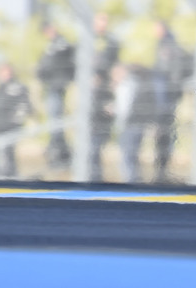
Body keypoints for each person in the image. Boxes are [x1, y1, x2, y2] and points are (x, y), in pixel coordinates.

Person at [150, 21, 191, 182]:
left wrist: (173, 88)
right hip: (165, 101)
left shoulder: (170, 45)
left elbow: (173, 71)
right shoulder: (165, 44)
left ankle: (162, 171)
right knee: (163, 134)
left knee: (165, 133)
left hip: (167, 100)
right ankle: (161, 171)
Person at [37, 22, 75, 168]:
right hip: (52, 86)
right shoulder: (51, 46)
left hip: (57, 86)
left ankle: (61, 155)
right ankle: (57, 152)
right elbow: (43, 66)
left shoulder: (61, 44)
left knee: (56, 122)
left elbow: (61, 61)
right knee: (54, 122)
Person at [89, 12, 121, 182]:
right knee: (89, 141)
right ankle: (91, 174)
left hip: (104, 96)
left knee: (98, 141)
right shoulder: (87, 40)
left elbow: (111, 67)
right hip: (90, 98)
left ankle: (95, 176)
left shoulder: (111, 43)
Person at [0, 62, 32, 177]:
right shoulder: (0, 87)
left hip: (10, 127)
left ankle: (11, 176)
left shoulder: (17, 87)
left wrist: (16, 121)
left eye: (4, 71)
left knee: (9, 152)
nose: (2, 74)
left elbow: (24, 105)